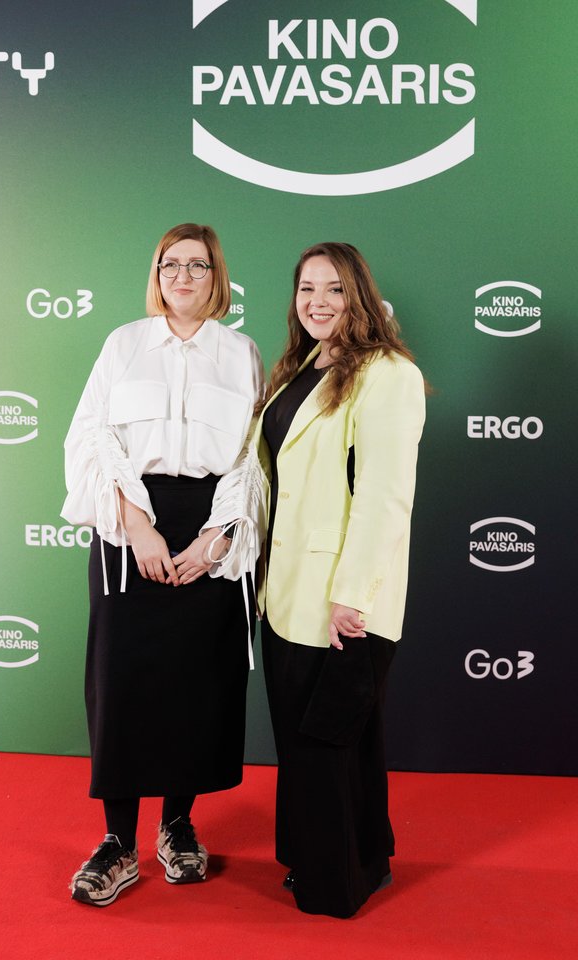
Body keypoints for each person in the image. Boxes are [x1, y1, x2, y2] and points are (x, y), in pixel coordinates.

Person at [61, 223, 264, 906]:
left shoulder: (241, 353)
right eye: (170, 264)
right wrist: (137, 528)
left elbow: (252, 455)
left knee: (197, 682)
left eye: (198, 265)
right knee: (120, 680)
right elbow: (93, 438)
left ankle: (178, 825)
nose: (183, 276)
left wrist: (216, 539)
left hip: (210, 527)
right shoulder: (123, 344)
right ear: (157, 274)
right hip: (130, 521)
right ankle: (118, 842)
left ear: (217, 277)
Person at [254, 242, 426, 918]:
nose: (317, 301)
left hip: (341, 600)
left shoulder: (389, 373)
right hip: (286, 592)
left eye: (333, 289)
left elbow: (385, 496)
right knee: (307, 744)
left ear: (359, 295)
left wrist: (353, 595)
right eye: (306, 288)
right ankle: (345, 861)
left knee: (330, 742)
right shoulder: (301, 366)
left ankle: (337, 884)